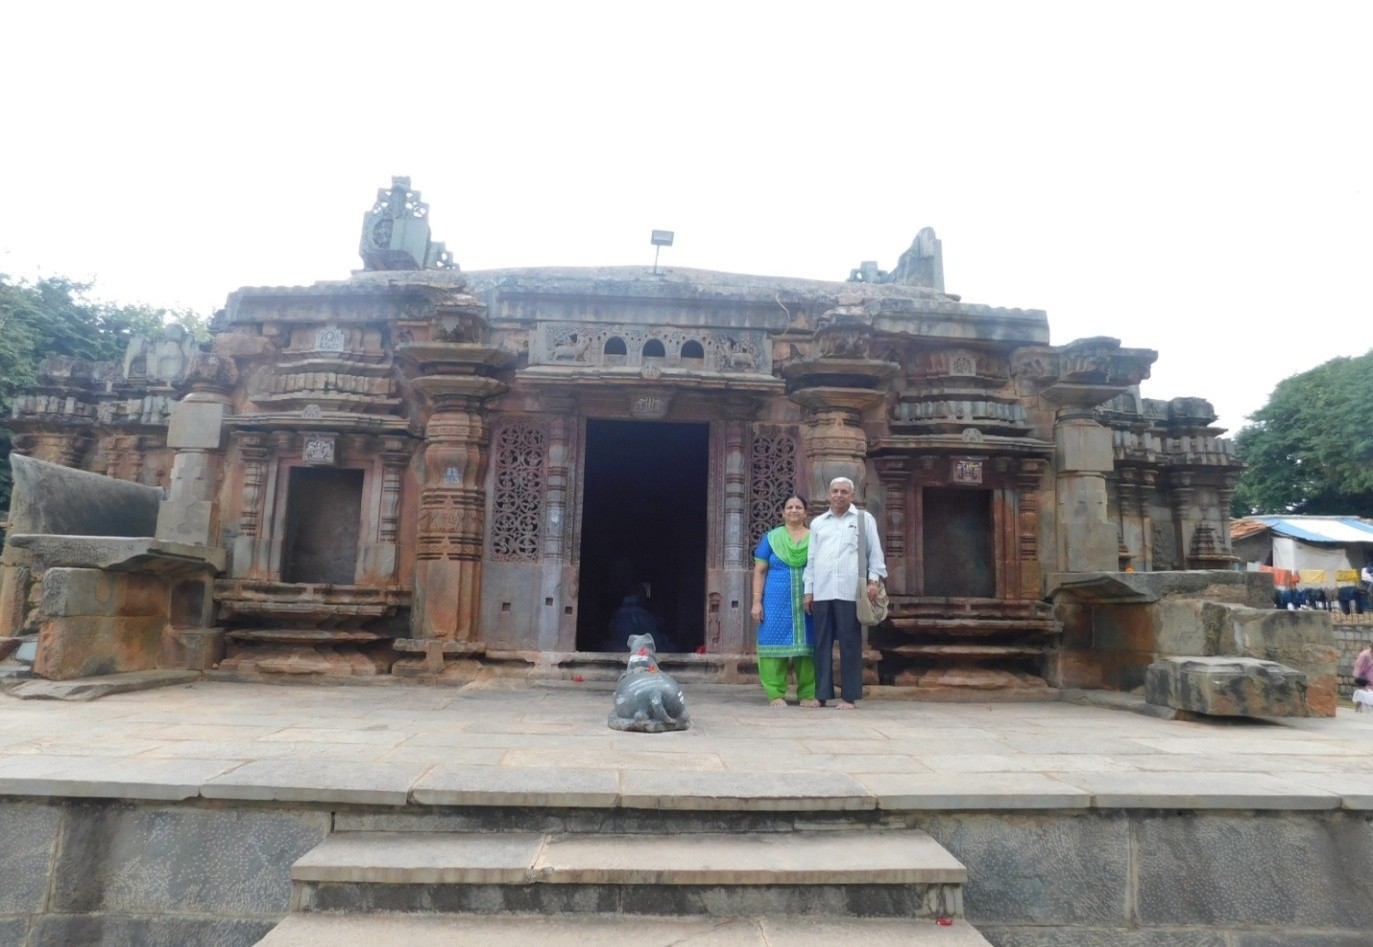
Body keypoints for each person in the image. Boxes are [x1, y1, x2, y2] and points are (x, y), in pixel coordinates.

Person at [803, 477, 886, 710]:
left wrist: (873, 580)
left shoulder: (863, 519)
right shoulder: (818, 523)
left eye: (844, 492)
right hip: (822, 590)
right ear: (829, 494)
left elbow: (875, 552)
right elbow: (811, 559)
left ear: (852, 495)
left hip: (851, 591)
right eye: (835, 491)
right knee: (821, 644)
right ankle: (821, 695)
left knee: (850, 644)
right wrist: (808, 591)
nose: (839, 495)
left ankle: (849, 696)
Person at [751, 495, 818, 708]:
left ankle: (807, 693)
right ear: (782, 512)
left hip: (808, 598)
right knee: (772, 642)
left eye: (799, 507)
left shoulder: (815, 538)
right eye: (789, 507)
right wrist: (756, 602)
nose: (794, 510)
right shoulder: (771, 538)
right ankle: (775, 693)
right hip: (775, 599)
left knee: (808, 646)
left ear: (806, 513)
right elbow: (760, 571)